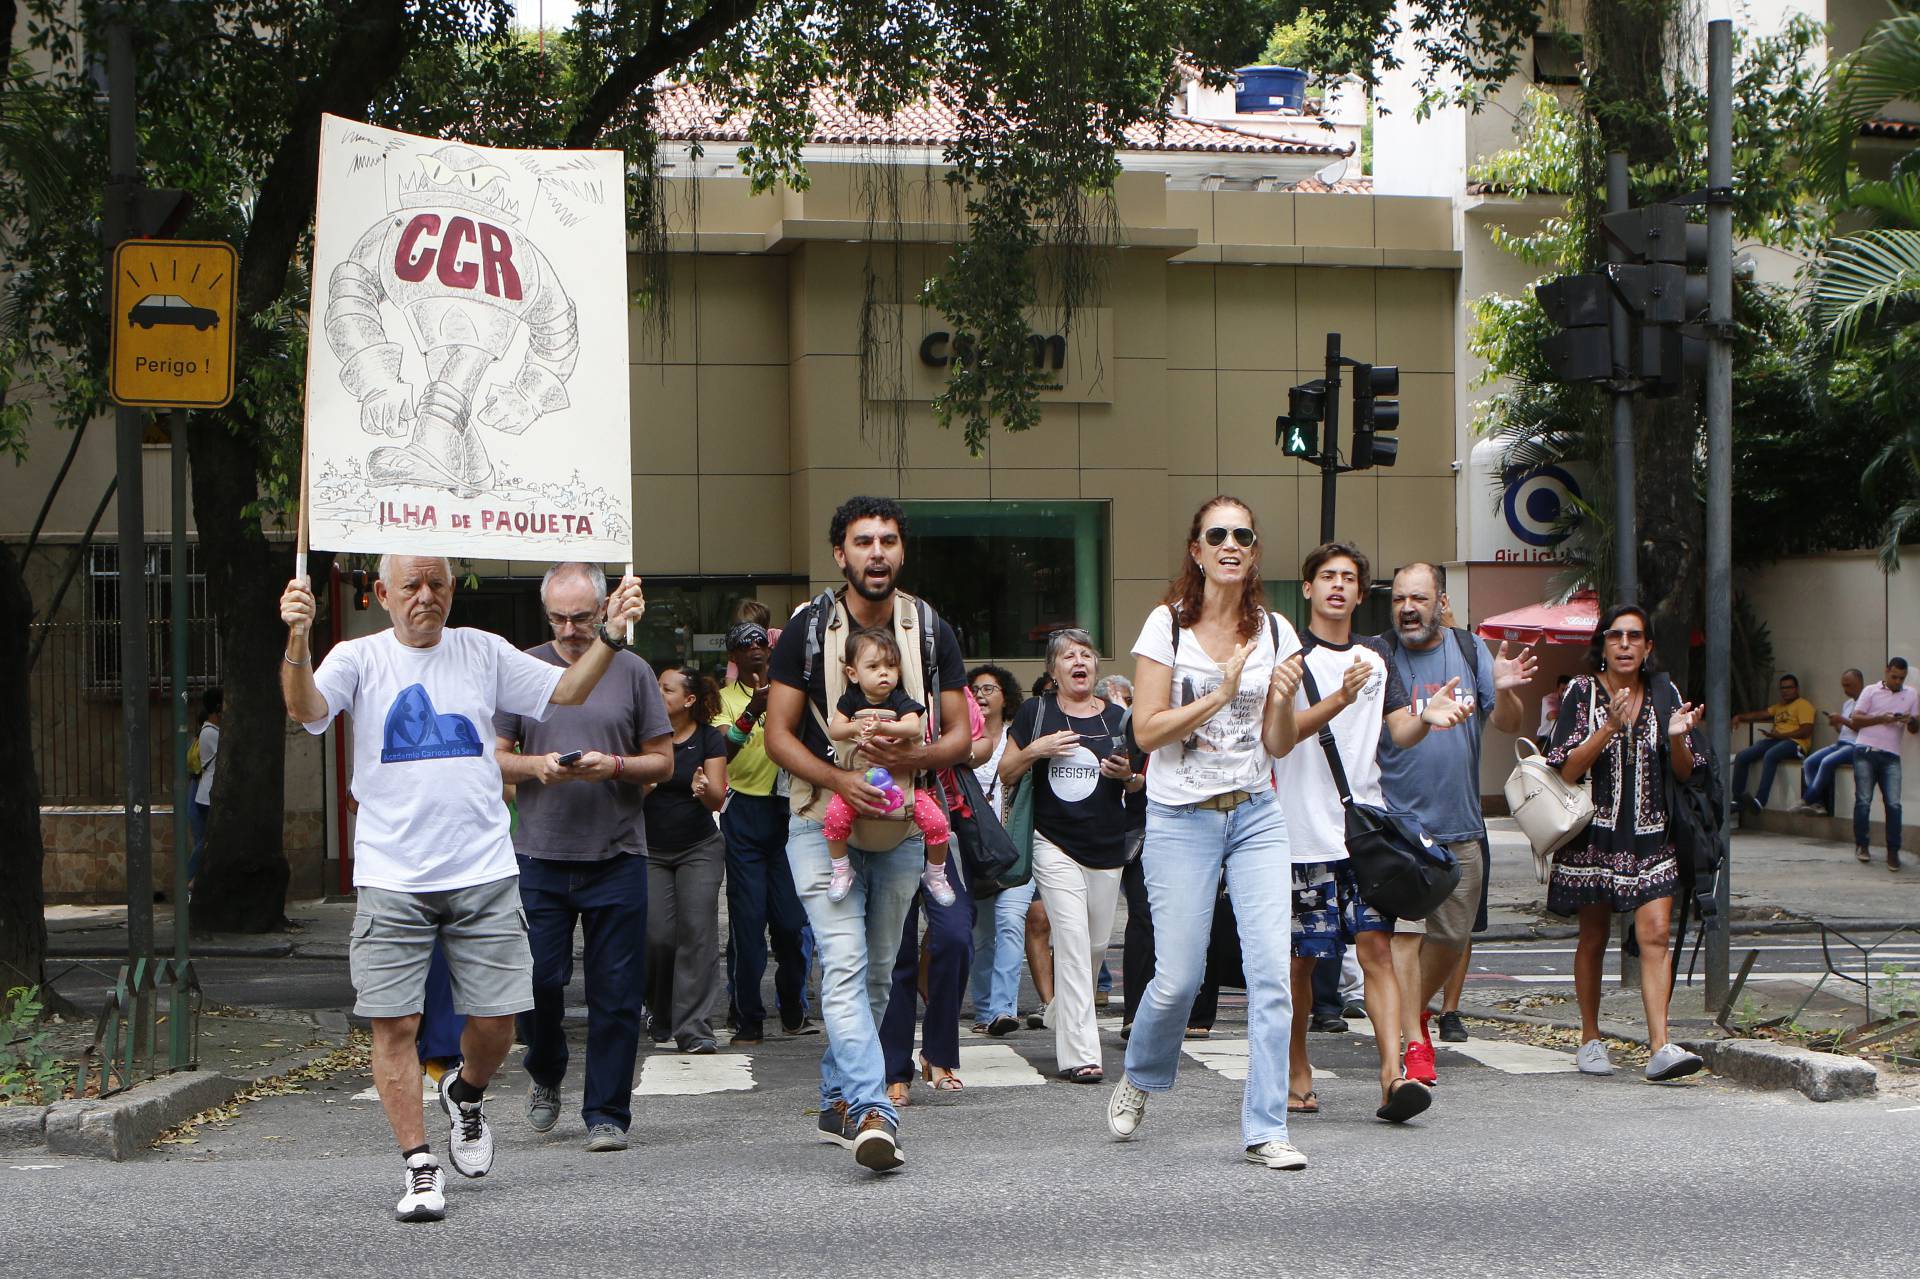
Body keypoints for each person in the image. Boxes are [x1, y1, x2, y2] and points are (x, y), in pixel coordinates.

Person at [279, 555, 644, 1222]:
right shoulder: (357, 657)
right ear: (382, 592)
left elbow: (567, 690)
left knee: (500, 1019)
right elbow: (306, 708)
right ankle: (419, 1165)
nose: (426, 596)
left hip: (482, 869)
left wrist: (613, 634)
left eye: (438, 584)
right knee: (395, 1022)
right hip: (391, 875)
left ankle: (466, 1092)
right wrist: (298, 638)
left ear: (451, 590)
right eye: (412, 585)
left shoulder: (482, 650)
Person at [764, 495, 971, 1173]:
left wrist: (915, 757)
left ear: (901, 551)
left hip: (904, 821)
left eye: (887, 540)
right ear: (840, 553)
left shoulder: (929, 628)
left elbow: (961, 736)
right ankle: (871, 1106)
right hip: (819, 822)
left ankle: (836, 1097)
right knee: (846, 961)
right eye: (862, 541)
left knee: (879, 974)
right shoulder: (808, 629)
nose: (876, 552)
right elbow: (777, 735)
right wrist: (839, 779)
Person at [1105, 495, 1308, 1172]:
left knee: (1270, 975)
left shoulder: (1275, 631)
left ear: (1253, 551)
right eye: (1217, 535)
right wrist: (1219, 694)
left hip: (1255, 814)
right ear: (1196, 550)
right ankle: (1142, 1072)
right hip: (1180, 817)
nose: (1230, 545)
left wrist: (1281, 698)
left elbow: (1277, 743)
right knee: (1180, 978)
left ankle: (1266, 1128)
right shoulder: (1167, 625)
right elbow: (1145, 732)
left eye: (1242, 536)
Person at [1279, 542, 1469, 1125]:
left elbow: (1397, 730)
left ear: (1361, 594)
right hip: (1300, 833)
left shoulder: (1377, 657)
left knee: (1378, 950)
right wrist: (1338, 695)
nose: (1338, 586)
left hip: (1365, 835)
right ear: (1308, 588)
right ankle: (1297, 1068)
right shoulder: (1290, 656)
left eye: (1349, 578)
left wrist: (1426, 719)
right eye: (1327, 576)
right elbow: (1280, 737)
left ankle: (1393, 1077)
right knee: (1301, 963)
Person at [493, 562, 672, 1154]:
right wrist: (537, 767)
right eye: (558, 618)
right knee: (536, 982)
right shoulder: (523, 667)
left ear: (603, 610)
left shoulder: (634, 671)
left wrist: (613, 766)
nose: (569, 630)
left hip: (617, 853)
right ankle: (546, 1070)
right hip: (538, 854)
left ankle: (607, 1113)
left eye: (580, 617)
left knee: (615, 993)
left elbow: (663, 761)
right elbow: (494, 756)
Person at [1372, 563, 1534, 1087]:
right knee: (1405, 937)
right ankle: (1413, 1043)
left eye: (1418, 599)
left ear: (1441, 603)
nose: (1407, 609)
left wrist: (1504, 689)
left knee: (1452, 936)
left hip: (1461, 825)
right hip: (1398, 828)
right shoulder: (1379, 655)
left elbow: (1508, 723)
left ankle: (1409, 1014)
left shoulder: (1469, 649)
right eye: (1399, 599)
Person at [1546, 603, 1707, 1081]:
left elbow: (1685, 772)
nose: (1624, 645)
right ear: (1603, 643)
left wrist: (1676, 738)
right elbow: (1566, 769)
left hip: (1653, 834)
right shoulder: (1581, 692)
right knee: (1593, 936)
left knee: (1655, 934)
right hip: (1593, 834)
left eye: (1635, 637)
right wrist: (1609, 728)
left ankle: (1661, 1045)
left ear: (1648, 647)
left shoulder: (1664, 692)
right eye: (1616, 636)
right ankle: (1590, 1037)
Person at [999, 629, 1140, 1083]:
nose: (1079, 661)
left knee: (1095, 945)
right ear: (1053, 671)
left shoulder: (1120, 717)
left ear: (1095, 666)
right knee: (1074, 942)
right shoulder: (1035, 713)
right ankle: (1082, 1054)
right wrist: (1036, 749)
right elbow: (1006, 772)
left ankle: (1061, 1011)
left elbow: (1142, 781)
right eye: (1068, 656)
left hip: (1107, 845)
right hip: (1052, 841)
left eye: (1086, 654)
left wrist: (1127, 775)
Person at [879, 685, 986, 1102]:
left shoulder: (943, 684)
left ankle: (938, 1054)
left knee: (956, 935)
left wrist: (944, 751)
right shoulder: (869, 688)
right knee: (896, 952)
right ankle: (894, 1071)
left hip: (936, 831)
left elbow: (977, 742)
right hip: (883, 828)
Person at [715, 619, 813, 1044]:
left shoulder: (791, 693)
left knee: (791, 924)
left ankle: (792, 1007)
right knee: (748, 923)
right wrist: (754, 707)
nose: (754, 647)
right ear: (733, 656)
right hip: (744, 810)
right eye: (744, 643)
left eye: (760, 641)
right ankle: (748, 1017)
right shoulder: (723, 699)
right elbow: (723, 749)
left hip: (789, 810)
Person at [823, 630, 956, 906]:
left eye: (891, 665)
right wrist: (855, 727)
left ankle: (935, 874)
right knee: (834, 817)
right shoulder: (850, 700)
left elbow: (912, 726)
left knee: (937, 823)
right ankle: (841, 869)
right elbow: (835, 730)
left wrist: (882, 727)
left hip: (902, 784)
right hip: (859, 782)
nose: (884, 673)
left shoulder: (899, 699)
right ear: (853, 674)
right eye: (873, 666)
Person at [643, 667, 729, 1052]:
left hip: (699, 847)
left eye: (666, 689)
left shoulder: (708, 738)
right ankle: (659, 1011)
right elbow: (625, 793)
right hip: (649, 850)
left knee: (697, 932)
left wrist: (703, 789)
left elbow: (717, 799)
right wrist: (646, 783)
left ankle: (694, 1028)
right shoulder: (644, 736)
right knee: (657, 936)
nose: (657, 693)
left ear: (689, 700)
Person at [966, 664, 1032, 1036]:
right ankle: (984, 1008)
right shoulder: (963, 739)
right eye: (975, 689)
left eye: (989, 688)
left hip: (1014, 845)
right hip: (976, 849)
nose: (981, 695)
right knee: (981, 933)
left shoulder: (1016, 738)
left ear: (1006, 696)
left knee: (1010, 922)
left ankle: (1003, 1009)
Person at [1846, 657, 1920, 870]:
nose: (1897, 681)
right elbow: (1856, 719)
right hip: (1865, 751)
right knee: (1863, 800)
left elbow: (1914, 728)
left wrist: (1910, 720)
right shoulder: (1870, 690)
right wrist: (1881, 718)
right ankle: (1862, 845)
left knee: (1894, 804)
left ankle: (1893, 852)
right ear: (1887, 671)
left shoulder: (1911, 694)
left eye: (1901, 678)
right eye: (1894, 676)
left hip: (1891, 755)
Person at [1730, 673, 1815, 814]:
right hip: (1776, 740)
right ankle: (1737, 800)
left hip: (1795, 744)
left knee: (1770, 755)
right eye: (1782, 688)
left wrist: (1781, 735)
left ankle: (1759, 802)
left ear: (1796, 689)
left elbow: (1806, 731)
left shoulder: (1804, 705)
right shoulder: (1779, 706)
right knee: (1742, 756)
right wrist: (1739, 716)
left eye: (1789, 687)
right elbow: (1760, 714)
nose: (1785, 691)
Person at [1792, 669, 1864, 817]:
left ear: (1859, 683)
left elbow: (1860, 728)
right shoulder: (1848, 703)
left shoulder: (1866, 702)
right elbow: (1844, 730)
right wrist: (1836, 723)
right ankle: (1818, 804)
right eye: (1843, 686)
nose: (1845, 690)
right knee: (1809, 762)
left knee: (1827, 762)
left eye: (1848, 685)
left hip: (1855, 745)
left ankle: (1807, 799)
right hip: (1841, 743)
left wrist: (1841, 719)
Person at [187, 687, 222, 890]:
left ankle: (196, 880)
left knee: (207, 841)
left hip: (207, 794)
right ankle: (189, 876)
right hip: (207, 796)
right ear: (218, 707)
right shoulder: (211, 733)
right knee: (208, 841)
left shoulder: (211, 731)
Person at [1539, 673, 1571, 740]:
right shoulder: (1548, 699)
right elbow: (1552, 716)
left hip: (1564, 738)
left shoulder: (1573, 700)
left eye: (1568, 690)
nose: (1565, 693)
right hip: (1546, 739)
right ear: (1557, 689)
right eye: (1563, 690)